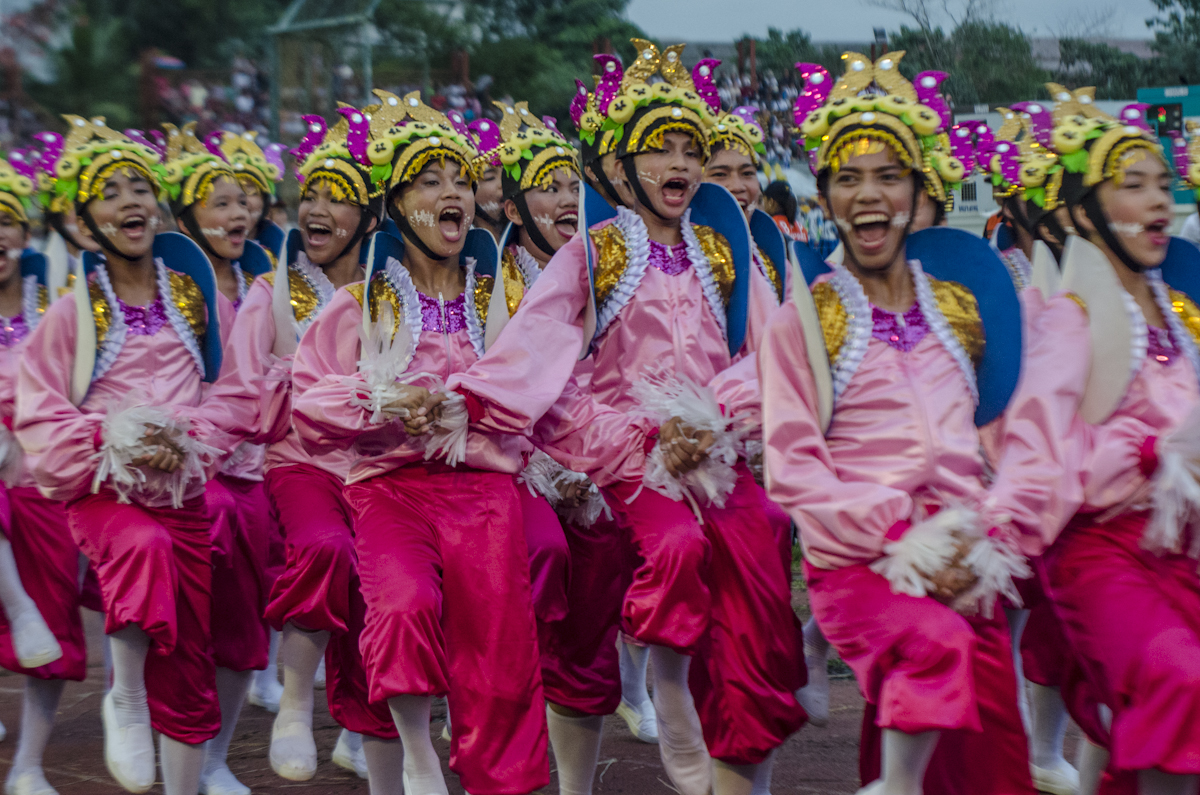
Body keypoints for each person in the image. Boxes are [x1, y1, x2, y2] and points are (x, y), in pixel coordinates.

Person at [444, 40, 806, 795]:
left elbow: (772, 348)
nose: (680, 163)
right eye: (660, 149)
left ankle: (736, 732)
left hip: (709, 448)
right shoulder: (596, 251)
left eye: (690, 149)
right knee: (667, 552)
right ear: (618, 168)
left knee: (766, 533)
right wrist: (633, 441)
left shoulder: (723, 249)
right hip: (624, 459)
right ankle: (666, 686)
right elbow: (540, 360)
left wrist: (713, 414)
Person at [772, 52, 1062, 795]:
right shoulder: (805, 320)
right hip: (864, 565)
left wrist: (987, 535)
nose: (869, 194)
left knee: (992, 756)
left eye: (889, 175)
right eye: (849, 177)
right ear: (827, 196)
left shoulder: (964, 306)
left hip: (968, 561)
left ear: (919, 190)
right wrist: (905, 537)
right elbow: (794, 467)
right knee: (931, 649)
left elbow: (1015, 439)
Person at [288, 89, 548, 795]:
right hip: (391, 489)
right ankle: (416, 748)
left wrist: (472, 407)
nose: (452, 192)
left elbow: (539, 385)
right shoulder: (358, 304)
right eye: (430, 180)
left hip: (486, 491)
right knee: (401, 605)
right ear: (397, 204)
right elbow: (308, 394)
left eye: (461, 179)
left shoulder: (504, 301)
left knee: (499, 657)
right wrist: (381, 398)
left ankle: (500, 779)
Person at [15, 116, 228, 795]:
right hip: (106, 496)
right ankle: (126, 696)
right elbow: (40, 412)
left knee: (192, 658)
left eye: (140, 186)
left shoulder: (196, 298)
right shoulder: (70, 314)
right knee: (142, 549)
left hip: (184, 495)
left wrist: (188, 433)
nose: (131, 201)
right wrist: (114, 434)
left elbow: (233, 389)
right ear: (81, 223)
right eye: (110, 191)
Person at [197, 110, 398, 787]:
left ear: (371, 213)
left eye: (336, 194)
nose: (315, 208)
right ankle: (294, 703)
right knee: (324, 548)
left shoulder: (393, 293)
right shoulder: (270, 292)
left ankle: (359, 728)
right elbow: (240, 395)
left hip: (379, 467)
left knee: (387, 582)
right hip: (299, 464)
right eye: (308, 193)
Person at [1038, 99, 1200, 795]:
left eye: (1162, 183)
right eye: (1131, 183)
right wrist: (1149, 454)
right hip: (1098, 551)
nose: (1157, 198)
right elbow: (1038, 457)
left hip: (1181, 545)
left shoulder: (1183, 315)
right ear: (1083, 213)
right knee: (1178, 680)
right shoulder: (1067, 321)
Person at [0, 154, 82, 795]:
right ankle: (16, 604)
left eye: (6, 221)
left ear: (24, 234)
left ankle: (28, 765)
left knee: (52, 627)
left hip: (40, 475)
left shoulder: (57, 295)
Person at [205, 127, 290, 718]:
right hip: (198, 456)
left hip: (262, 455)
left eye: (249, 197)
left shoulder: (267, 278)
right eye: (225, 202)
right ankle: (129, 695)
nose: (243, 211)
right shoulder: (172, 282)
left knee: (255, 592)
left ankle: (213, 760)